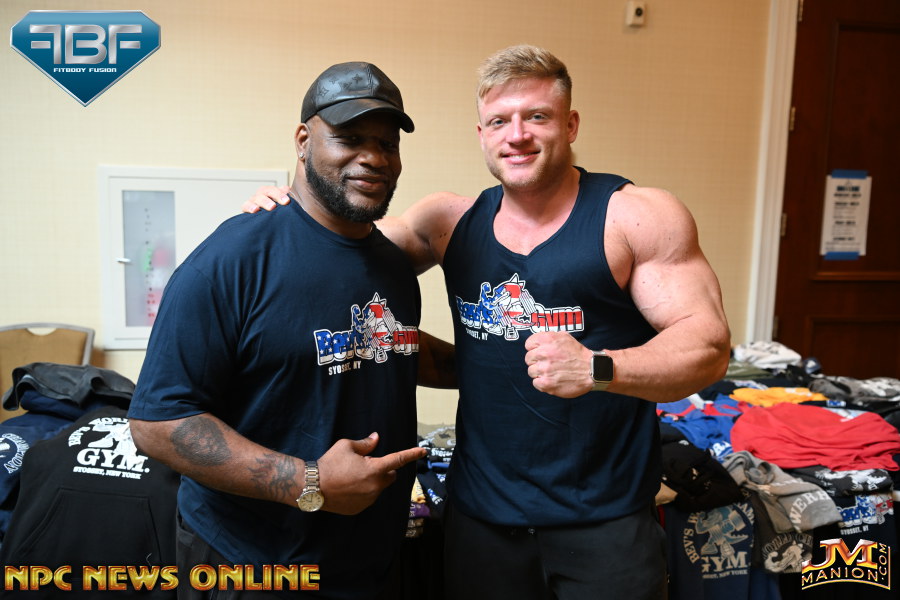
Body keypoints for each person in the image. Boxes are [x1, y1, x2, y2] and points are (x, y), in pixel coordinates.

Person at [244, 45, 731, 599]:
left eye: (537, 116)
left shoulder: (634, 216)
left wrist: (598, 369)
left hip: (605, 522)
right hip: (481, 521)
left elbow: (707, 347)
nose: (516, 135)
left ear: (570, 125)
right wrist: (289, 208)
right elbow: (338, 252)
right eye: (499, 121)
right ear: (481, 134)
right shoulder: (448, 222)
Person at [128, 61, 455, 600]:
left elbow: (385, 345)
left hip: (368, 564)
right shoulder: (232, 260)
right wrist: (309, 483)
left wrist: (498, 359)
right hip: (250, 563)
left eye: (386, 143)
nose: (373, 157)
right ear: (304, 141)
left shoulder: (392, 265)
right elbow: (158, 423)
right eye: (350, 138)